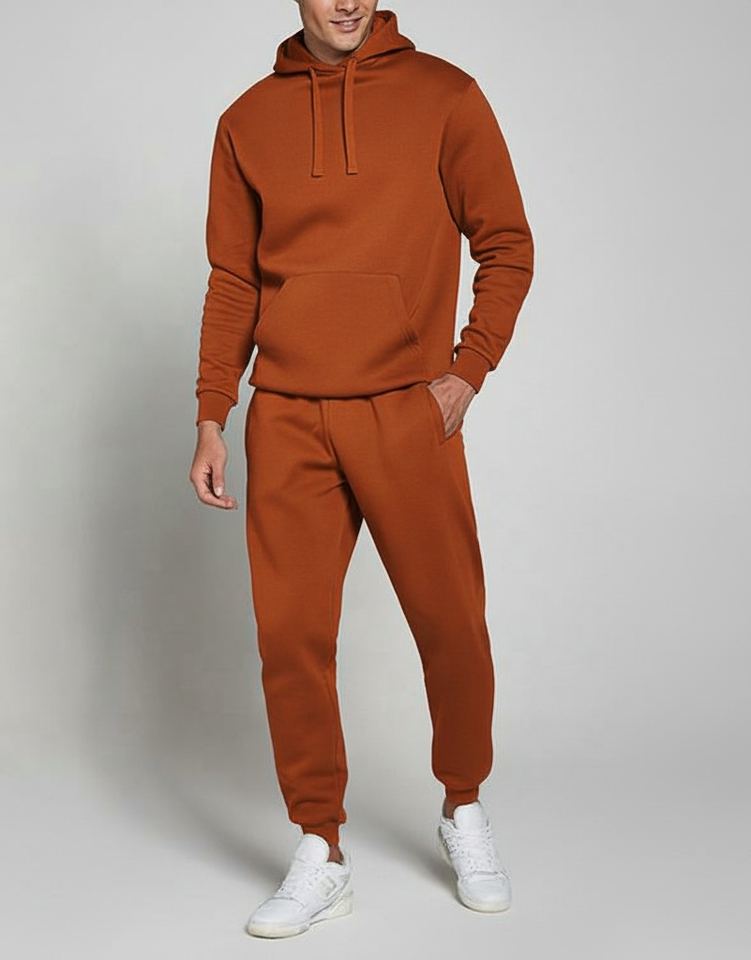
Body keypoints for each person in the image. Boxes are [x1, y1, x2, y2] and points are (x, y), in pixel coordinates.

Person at [189, 0, 534, 939]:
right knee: (290, 636)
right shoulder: (246, 119)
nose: (346, 0)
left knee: (450, 621)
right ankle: (320, 847)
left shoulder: (445, 96)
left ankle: (463, 804)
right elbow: (232, 278)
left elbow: (506, 244)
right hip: (288, 413)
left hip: (403, 409)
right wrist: (213, 412)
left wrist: (465, 373)